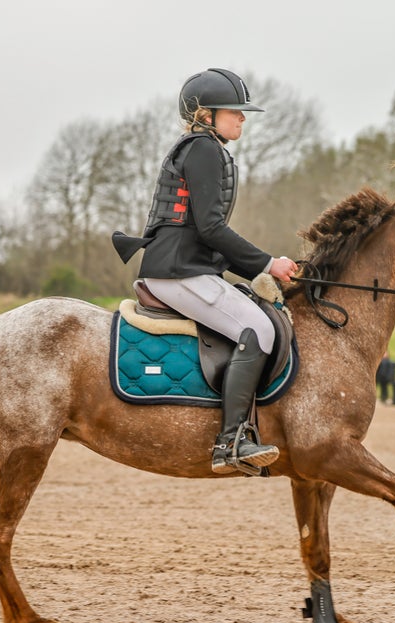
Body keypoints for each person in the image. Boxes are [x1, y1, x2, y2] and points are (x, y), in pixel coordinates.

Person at [127, 68, 298, 475]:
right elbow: (211, 228)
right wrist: (266, 262)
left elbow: (206, 234)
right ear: (205, 115)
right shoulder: (203, 149)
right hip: (176, 272)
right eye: (234, 111)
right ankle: (232, 440)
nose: (242, 118)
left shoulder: (206, 148)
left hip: (186, 267)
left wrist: (258, 270)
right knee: (259, 331)